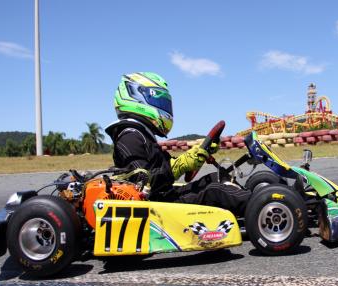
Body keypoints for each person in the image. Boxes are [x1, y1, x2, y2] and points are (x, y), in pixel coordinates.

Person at [105, 72, 251, 216]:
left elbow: (167, 166)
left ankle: (253, 202)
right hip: (156, 205)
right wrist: (181, 164)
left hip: (163, 196)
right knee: (215, 191)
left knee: (214, 177)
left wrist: (195, 156)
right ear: (136, 97)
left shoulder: (141, 134)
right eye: (159, 101)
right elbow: (141, 182)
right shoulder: (129, 136)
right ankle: (262, 206)